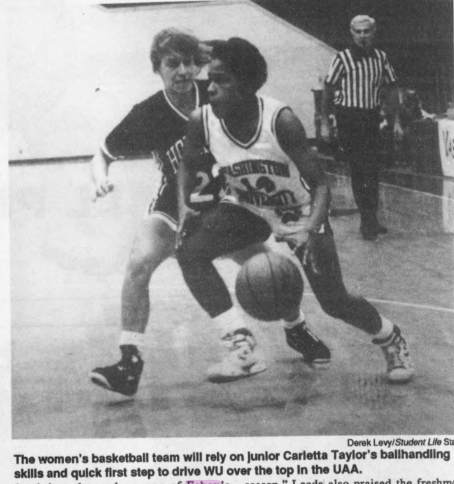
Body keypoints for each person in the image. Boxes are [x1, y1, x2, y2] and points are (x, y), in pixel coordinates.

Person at [176, 37, 414, 385]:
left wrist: (309, 229)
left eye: (221, 80)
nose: (210, 88)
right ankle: (240, 344)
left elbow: (320, 185)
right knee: (188, 252)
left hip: (298, 211)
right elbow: (187, 162)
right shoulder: (202, 119)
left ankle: (390, 338)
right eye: (209, 79)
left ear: (246, 85)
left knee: (334, 301)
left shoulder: (280, 120)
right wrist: (184, 204)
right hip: (246, 207)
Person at [89, 28, 220, 397]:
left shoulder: (216, 94)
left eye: (190, 63)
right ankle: (129, 364)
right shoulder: (147, 113)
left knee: (263, 266)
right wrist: (99, 179)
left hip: (225, 199)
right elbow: (102, 153)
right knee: (138, 263)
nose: (182, 71)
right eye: (172, 63)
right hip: (173, 202)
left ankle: (295, 326)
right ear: (157, 67)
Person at [320, 15, 403, 241]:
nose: (363, 36)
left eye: (367, 31)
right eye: (359, 31)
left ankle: (371, 218)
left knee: (373, 169)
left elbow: (392, 89)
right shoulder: (342, 58)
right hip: (349, 118)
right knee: (360, 169)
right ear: (352, 33)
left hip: (371, 117)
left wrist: (395, 121)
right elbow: (328, 90)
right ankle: (367, 221)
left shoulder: (381, 58)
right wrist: (326, 123)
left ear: (374, 33)